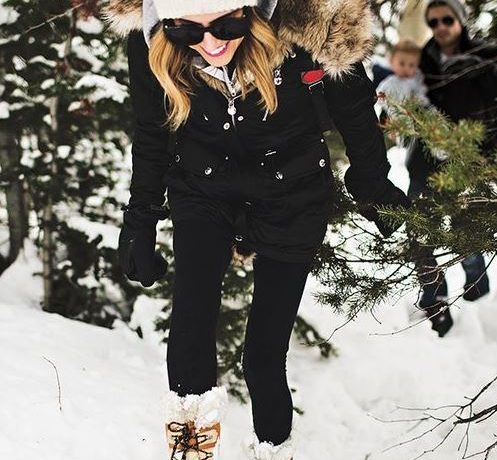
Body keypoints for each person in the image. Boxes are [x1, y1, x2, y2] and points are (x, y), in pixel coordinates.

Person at [104, 0, 409, 458]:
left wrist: (372, 182)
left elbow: (353, 109)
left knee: (263, 356)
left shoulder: (311, 26)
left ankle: (273, 450)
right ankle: (191, 450)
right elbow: (151, 130)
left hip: (292, 191)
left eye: (226, 26)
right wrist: (141, 217)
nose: (210, 43)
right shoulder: (152, 40)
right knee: (190, 326)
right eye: (188, 31)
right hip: (203, 183)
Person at [406, 0, 497, 337]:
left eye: (447, 19)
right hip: (425, 164)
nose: (441, 27)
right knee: (420, 233)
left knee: (467, 235)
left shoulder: (486, 57)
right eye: (434, 22)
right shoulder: (420, 61)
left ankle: (476, 292)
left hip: (471, 162)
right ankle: (434, 299)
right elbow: (401, 96)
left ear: (460, 20)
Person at [376, 38, 430, 121]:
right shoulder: (390, 82)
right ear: (392, 61)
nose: (406, 68)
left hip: (413, 116)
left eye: (411, 65)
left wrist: (418, 101)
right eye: (402, 64)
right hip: (393, 117)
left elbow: (422, 95)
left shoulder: (416, 81)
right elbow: (379, 95)